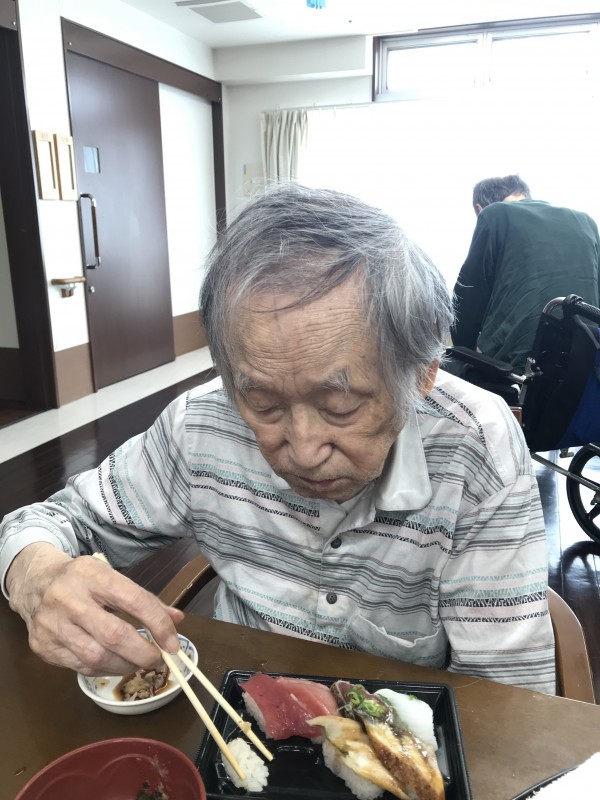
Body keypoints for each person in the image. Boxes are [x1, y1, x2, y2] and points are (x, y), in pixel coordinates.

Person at [0, 184, 556, 694]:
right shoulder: (203, 423)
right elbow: (53, 521)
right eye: (264, 404)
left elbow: (509, 698)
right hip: (237, 706)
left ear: (421, 375)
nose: (304, 450)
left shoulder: (474, 445)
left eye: (340, 406)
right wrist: (38, 574)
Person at [452, 174, 600, 374]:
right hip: (586, 366)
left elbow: (466, 302)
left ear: (479, 208)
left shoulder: (493, 214)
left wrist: (464, 352)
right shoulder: (587, 222)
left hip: (517, 369)